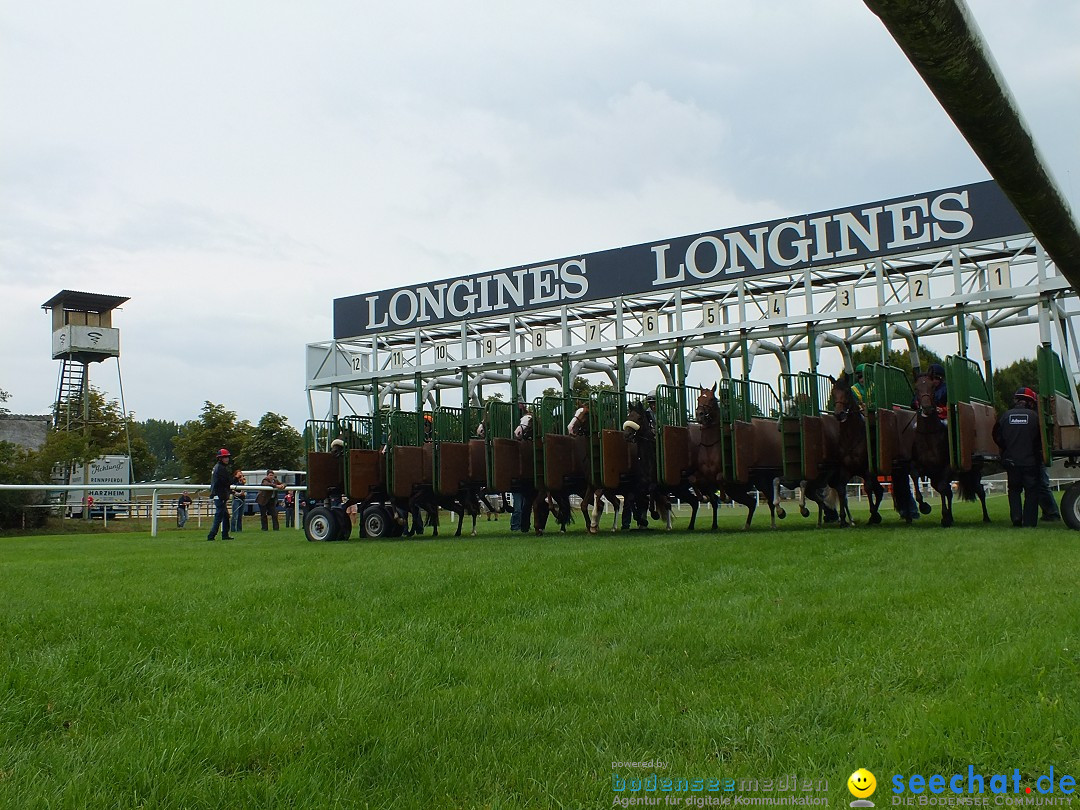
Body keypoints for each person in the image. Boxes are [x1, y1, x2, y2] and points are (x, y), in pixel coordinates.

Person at [993, 387, 1043, 528]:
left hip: (1011, 461)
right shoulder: (1035, 417)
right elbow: (1041, 440)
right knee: (1031, 492)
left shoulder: (1006, 416)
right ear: (1029, 402)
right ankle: (1029, 522)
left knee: (1014, 490)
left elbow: (996, 435)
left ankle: (1016, 517)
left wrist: (1007, 449)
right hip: (1030, 462)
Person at [511, 401, 533, 533]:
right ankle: (515, 526)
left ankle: (525, 526)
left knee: (525, 506)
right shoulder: (515, 420)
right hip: (517, 480)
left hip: (526, 479)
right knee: (518, 507)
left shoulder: (527, 419)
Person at [207, 448, 234, 541]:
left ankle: (225, 535)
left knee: (225, 516)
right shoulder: (221, 468)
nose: (227, 459)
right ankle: (211, 535)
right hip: (220, 495)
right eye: (225, 457)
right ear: (220, 458)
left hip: (218, 494)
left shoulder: (217, 467)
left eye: (227, 457)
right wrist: (235, 479)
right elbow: (226, 482)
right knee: (219, 516)